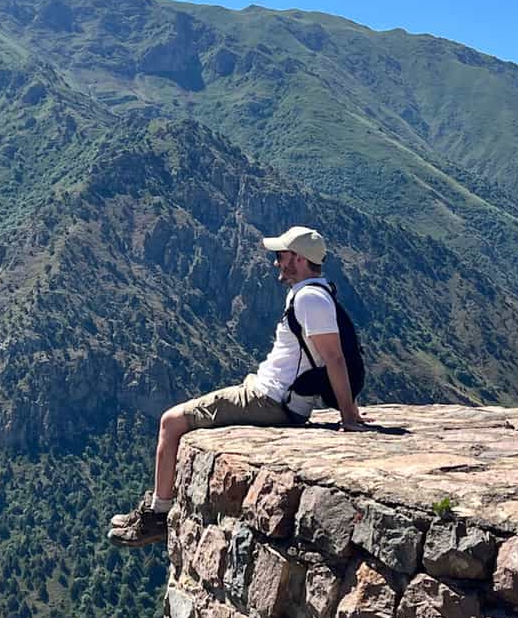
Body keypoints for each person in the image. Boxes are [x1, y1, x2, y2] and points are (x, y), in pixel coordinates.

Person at [108, 225, 366, 547]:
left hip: (271, 400)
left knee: (170, 422)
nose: (276, 262)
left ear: (298, 259)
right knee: (175, 419)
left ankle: (158, 515)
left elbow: (334, 358)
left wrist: (349, 416)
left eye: (281, 256)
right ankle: (157, 508)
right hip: (275, 395)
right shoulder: (315, 292)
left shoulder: (310, 299)